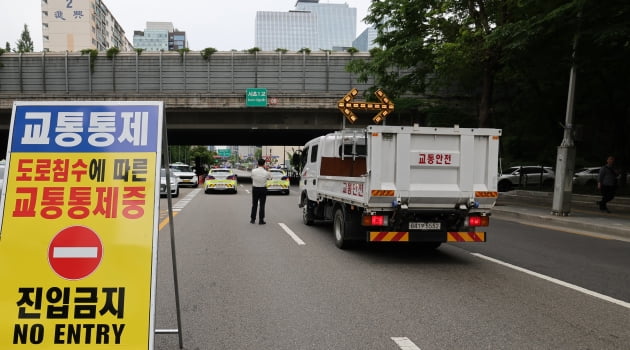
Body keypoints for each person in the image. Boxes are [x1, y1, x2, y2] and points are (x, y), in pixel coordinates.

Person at [250, 159, 272, 224]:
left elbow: (252, 177)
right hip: (263, 189)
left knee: (254, 204)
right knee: (262, 205)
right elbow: (270, 178)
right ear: (264, 164)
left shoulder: (253, 171)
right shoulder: (266, 172)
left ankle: (252, 219)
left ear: (257, 163)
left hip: (255, 189)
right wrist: (267, 170)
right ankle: (261, 220)